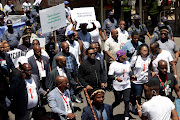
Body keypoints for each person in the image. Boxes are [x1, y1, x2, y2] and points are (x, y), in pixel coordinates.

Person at [130, 44, 151, 113]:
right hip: (137, 81)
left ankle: (146, 109)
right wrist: (131, 75)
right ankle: (134, 106)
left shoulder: (149, 58)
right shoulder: (135, 58)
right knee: (137, 95)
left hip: (147, 81)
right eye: (144, 50)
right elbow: (131, 68)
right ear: (140, 51)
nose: (145, 52)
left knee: (148, 96)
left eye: (146, 50)